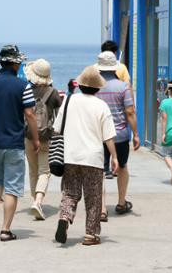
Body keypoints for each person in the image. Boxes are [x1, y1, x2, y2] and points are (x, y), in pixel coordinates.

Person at [0, 44, 40, 241]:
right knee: (12, 187)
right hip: (14, 143)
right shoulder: (23, 86)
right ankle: (5, 230)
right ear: (15, 63)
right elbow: (29, 113)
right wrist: (36, 138)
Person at [53, 66, 118, 246]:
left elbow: (57, 128)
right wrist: (114, 157)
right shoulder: (101, 106)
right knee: (93, 197)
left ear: (80, 85)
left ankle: (65, 218)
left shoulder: (68, 101)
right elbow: (108, 136)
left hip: (70, 156)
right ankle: (90, 234)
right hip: (93, 158)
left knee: (70, 193)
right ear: (97, 88)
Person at [96, 51, 140, 220]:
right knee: (122, 166)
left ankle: (101, 209)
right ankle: (121, 203)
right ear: (115, 67)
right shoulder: (123, 87)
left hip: (99, 135)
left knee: (99, 171)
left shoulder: (93, 87)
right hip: (120, 135)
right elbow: (130, 112)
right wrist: (135, 134)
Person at [23, 59, 62, 220]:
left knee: (33, 171)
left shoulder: (26, 90)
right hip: (45, 136)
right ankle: (38, 201)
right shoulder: (52, 92)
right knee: (44, 171)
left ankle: (35, 201)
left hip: (28, 136)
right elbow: (59, 115)